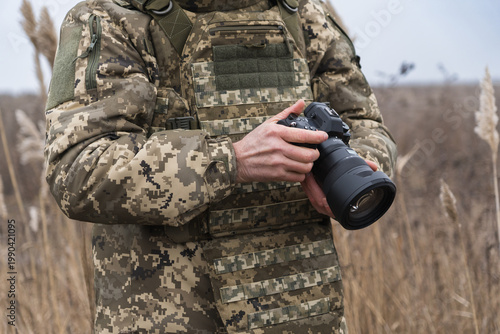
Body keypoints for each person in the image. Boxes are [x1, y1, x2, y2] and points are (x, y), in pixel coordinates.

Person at [44, 0, 397, 333]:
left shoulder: (303, 12)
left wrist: (353, 170)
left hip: (305, 309)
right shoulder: (113, 17)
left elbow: (364, 121)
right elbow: (78, 169)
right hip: (169, 315)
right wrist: (232, 161)